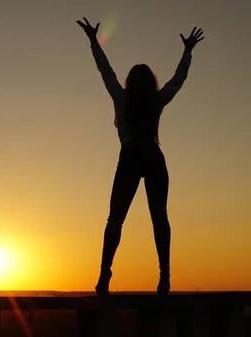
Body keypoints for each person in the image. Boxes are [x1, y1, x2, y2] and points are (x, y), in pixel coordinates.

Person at [75, 17, 204, 296]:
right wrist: (187, 52)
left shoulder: (122, 99)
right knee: (159, 218)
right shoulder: (156, 100)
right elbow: (177, 81)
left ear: (131, 82)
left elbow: (105, 71)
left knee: (116, 220)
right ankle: (164, 275)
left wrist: (93, 41)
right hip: (153, 158)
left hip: (131, 158)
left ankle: (105, 273)